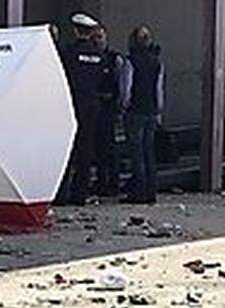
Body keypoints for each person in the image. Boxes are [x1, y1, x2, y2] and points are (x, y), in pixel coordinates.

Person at [60, 13, 106, 206]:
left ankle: (61, 194)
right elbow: (103, 82)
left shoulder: (68, 53)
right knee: (86, 150)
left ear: (75, 30)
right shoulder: (99, 55)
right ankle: (80, 194)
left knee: (67, 150)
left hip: (72, 104)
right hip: (92, 106)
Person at [119, 24, 164, 205]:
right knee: (148, 151)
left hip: (135, 111)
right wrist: (159, 110)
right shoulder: (157, 62)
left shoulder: (130, 61)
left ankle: (138, 192)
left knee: (136, 153)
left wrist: (124, 105)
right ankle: (151, 192)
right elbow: (159, 89)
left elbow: (126, 88)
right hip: (151, 111)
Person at [93, 25, 124, 197]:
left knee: (110, 149)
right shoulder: (90, 57)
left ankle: (112, 183)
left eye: (100, 37)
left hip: (109, 109)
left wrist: (118, 105)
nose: (97, 40)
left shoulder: (114, 59)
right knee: (98, 149)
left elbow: (121, 84)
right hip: (95, 108)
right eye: (95, 37)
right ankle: (102, 182)